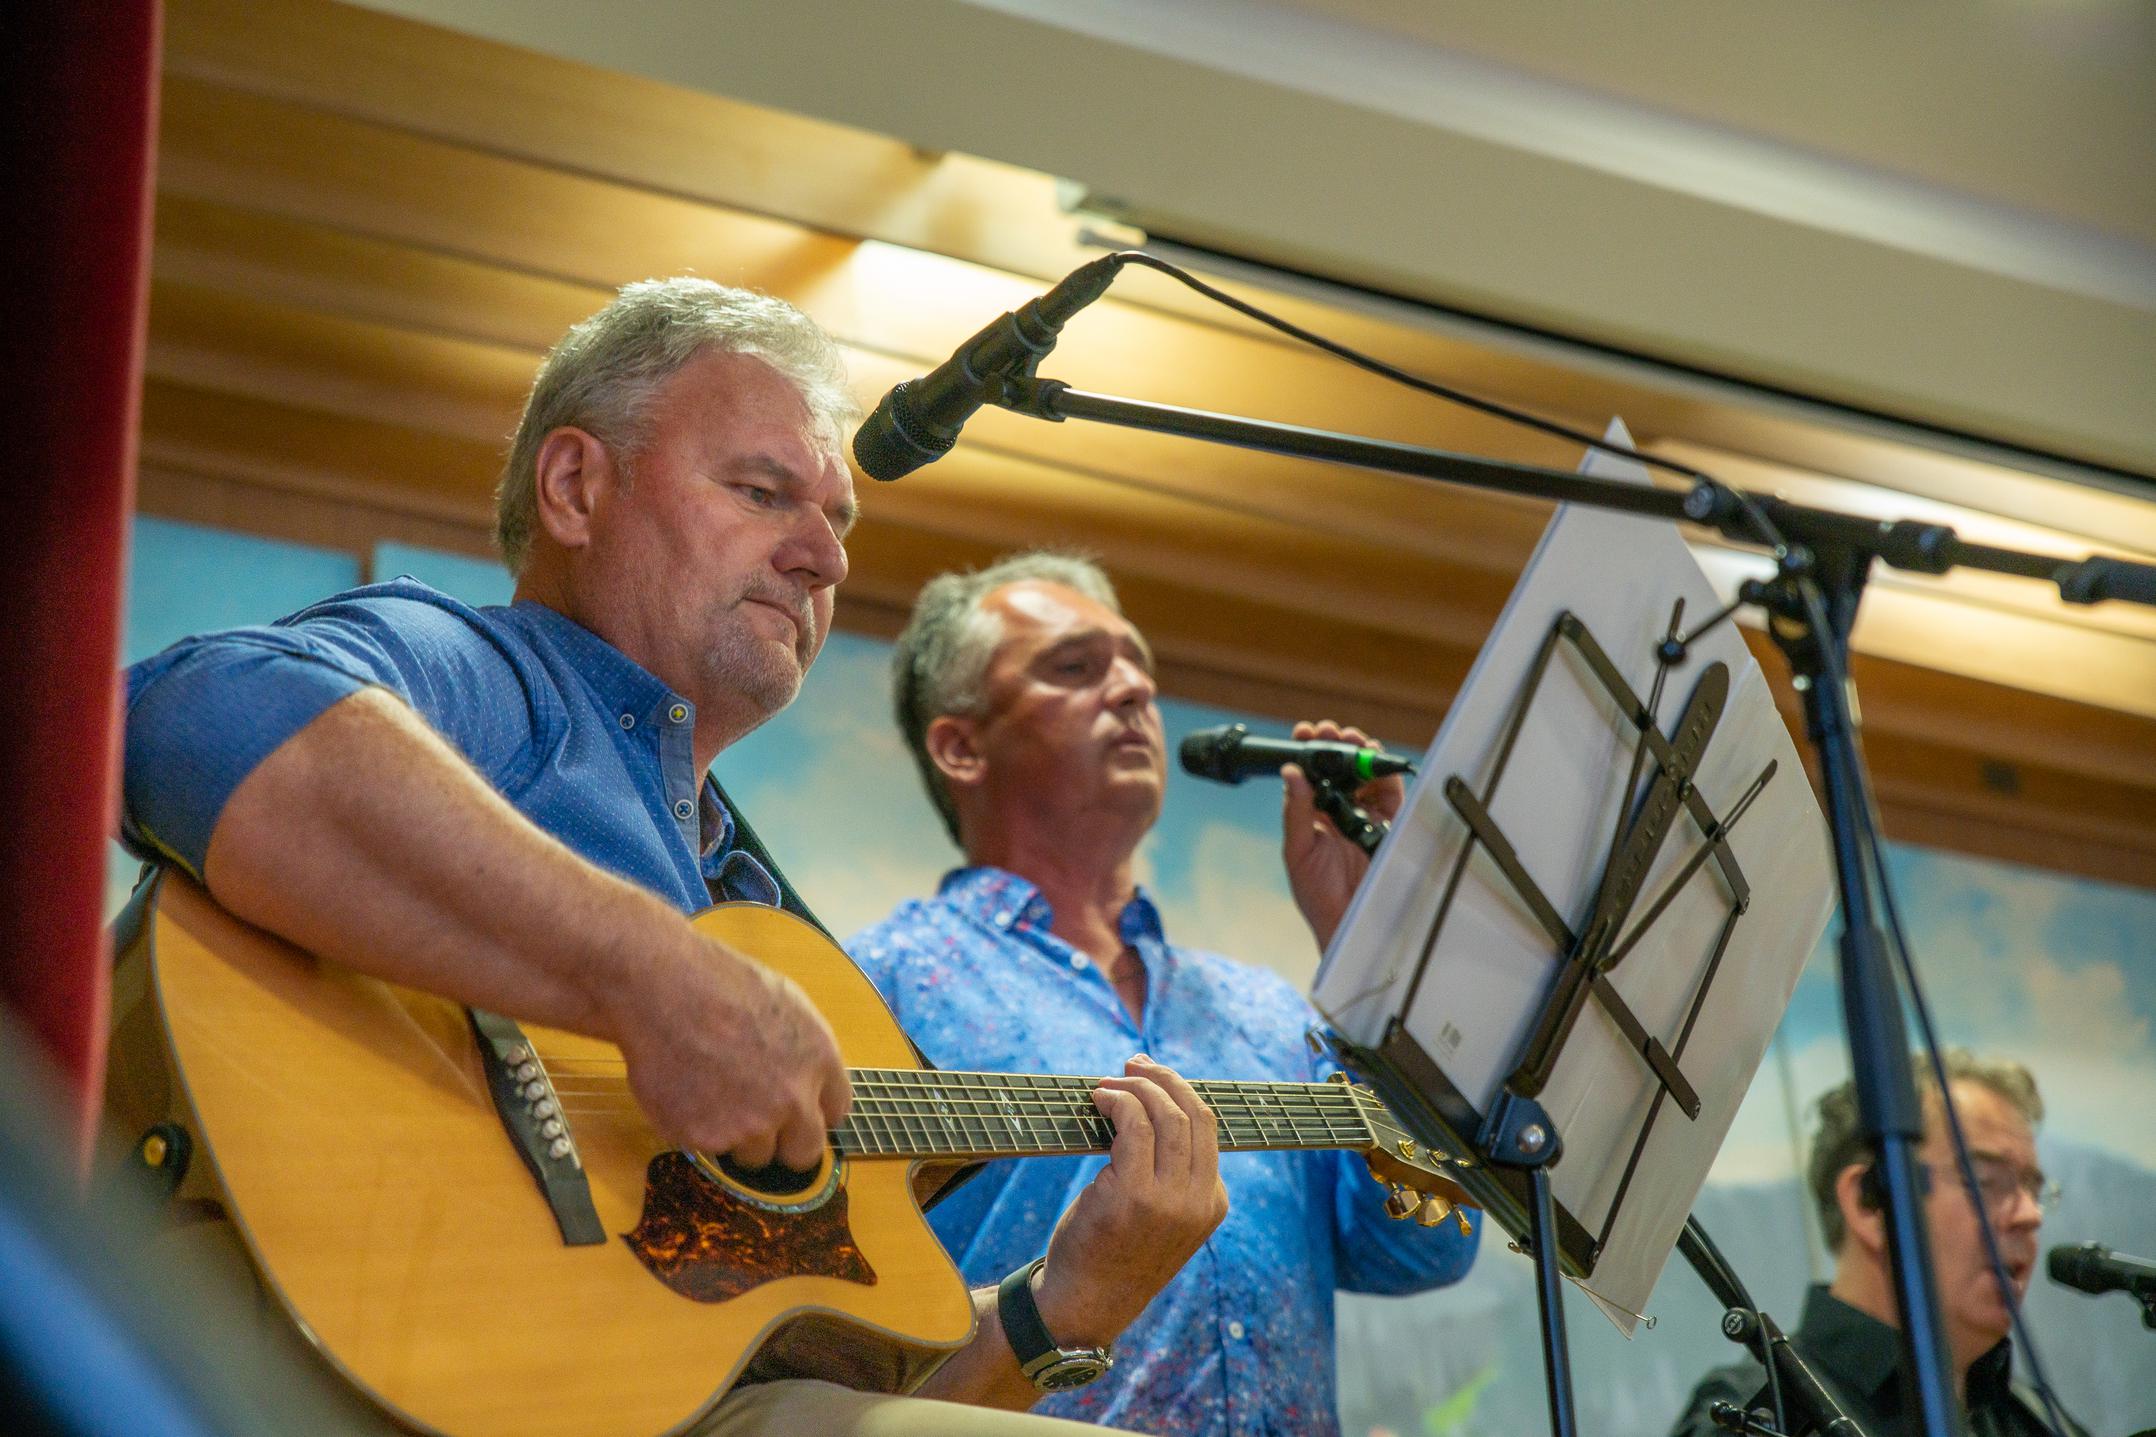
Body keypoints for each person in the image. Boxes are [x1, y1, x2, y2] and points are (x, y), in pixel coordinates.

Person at [117, 279, 1228, 1435]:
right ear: (574, 487)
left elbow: (796, 1399)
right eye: (762, 492)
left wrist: (1070, 1304)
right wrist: (652, 978)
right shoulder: (490, 678)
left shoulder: (756, 905)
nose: (824, 560)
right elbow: (196, 716)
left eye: (838, 522)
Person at [847, 553, 1480, 1437]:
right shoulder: (870, 983)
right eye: (1076, 666)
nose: (1135, 687)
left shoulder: (1270, 1010)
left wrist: (1367, 948)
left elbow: (1419, 1251)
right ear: (960, 745)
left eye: (1138, 665)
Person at [1671, 1051, 2085, 1437]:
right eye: (1985, 1181)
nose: (2030, 1215)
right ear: (1869, 1205)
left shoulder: (2036, 1420)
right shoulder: (1755, 1416)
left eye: (2033, 1189)